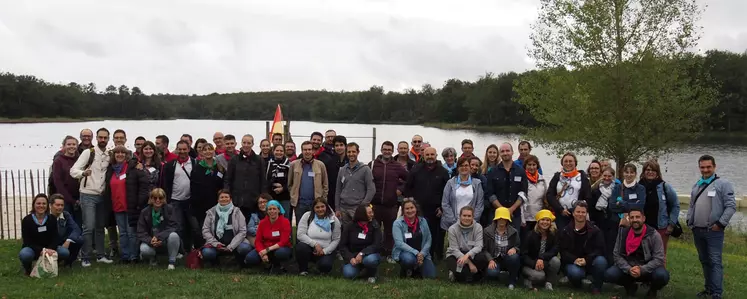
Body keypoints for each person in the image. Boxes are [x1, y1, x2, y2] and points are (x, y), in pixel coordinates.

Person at [687, 155, 736, 299]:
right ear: (699, 168)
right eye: (702, 167)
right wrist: (690, 220)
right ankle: (708, 289)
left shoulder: (723, 184)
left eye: (708, 167)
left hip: (714, 231)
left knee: (715, 262)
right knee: (704, 261)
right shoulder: (697, 185)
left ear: (714, 167)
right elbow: (692, 205)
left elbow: (731, 207)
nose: (705, 170)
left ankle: (716, 294)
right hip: (698, 230)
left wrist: (720, 224)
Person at [69, 127, 114, 266]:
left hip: (102, 196)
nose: (103, 140)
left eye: (105, 138)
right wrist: (83, 174)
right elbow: (73, 170)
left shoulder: (109, 154)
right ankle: (85, 257)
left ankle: (100, 255)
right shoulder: (88, 153)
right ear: (96, 138)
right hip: (87, 194)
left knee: (100, 227)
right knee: (88, 227)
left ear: (108, 139)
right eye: (100, 137)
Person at [605, 208, 670, 298]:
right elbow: (616, 254)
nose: (635, 220)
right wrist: (628, 269)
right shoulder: (623, 233)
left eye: (637, 217)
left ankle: (652, 290)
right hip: (628, 268)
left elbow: (659, 258)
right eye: (632, 217)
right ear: (629, 219)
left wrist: (642, 269)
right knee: (610, 274)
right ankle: (629, 286)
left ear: (643, 218)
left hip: (648, 269)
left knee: (662, 276)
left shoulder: (654, 234)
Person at [104, 145, 149, 263]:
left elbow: (144, 185)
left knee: (131, 233)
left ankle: (134, 256)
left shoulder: (132, 168)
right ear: (113, 155)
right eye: (117, 152)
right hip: (117, 207)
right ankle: (125, 256)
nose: (120, 155)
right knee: (122, 233)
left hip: (131, 206)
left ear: (126, 155)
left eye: (122, 152)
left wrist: (139, 202)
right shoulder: (111, 170)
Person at [403, 147, 449, 261]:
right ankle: (416, 254)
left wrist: (442, 208)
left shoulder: (443, 172)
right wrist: (410, 205)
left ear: (436, 155)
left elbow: (446, 192)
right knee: (417, 233)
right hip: (418, 209)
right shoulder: (416, 169)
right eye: (427, 154)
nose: (430, 157)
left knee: (433, 234)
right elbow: (408, 188)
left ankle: (431, 256)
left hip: (435, 210)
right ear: (423, 155)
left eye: (432, 154)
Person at [369, 141, 408, 261]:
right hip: (374, 204)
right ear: (381, 150)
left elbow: (409, 180)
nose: (387, 151)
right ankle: (374, 252)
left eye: (389, 150)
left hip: (391, 205)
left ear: (392, 151)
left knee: (390, 232)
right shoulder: (372, 164)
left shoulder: (397, 166)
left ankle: (388, 253)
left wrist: (400, 189)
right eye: (384, 149)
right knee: (373, 229)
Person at [558, 201, 607, 295]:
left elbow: (600, 249)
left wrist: (587, 259)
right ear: (573, 213)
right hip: (573, 262)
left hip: (590, 261)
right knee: (575, 273)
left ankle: (596, 286)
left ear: (586, 213)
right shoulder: (565, 230)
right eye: (578, 212)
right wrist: (574, 259)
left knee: (601, 261)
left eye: (583, 212)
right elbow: (563, 251)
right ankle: (576, 283)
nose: (580, 214)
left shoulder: (595, 230)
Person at [162, 140, 198, 251]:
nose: (182, 152)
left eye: (184, 149)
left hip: (190, 200)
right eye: (180, 149)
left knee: (194, 227)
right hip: (175, 200)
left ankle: (195, 249)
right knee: (178, 227)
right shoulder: (170, 165)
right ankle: (180, 251)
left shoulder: (195, 163)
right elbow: (165, 183)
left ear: (189, 149)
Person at [639, 160, 680, 260]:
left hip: (661, 227)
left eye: (653, 170)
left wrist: (671, 224)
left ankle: (660, 275)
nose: (650, 172)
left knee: (660, 256)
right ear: (644, 171)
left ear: (657, 172)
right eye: (648, 169)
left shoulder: (665, 187)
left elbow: (675, 205)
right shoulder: (639, 187)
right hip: (642, 228)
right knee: (643, 255)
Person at [606, 163, 646, 263]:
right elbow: (611, 206)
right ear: (623, 173)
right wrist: (632, 205)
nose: (629, 175)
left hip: (634, 224)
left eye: (631, 172)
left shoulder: (640, 188)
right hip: (616, 223)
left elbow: (640, 206)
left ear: (635, 174)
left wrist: (622, 203)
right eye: (626, 172)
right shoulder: (617, 188)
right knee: (615, 247)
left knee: (632, 248)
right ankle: (613, 268)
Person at [201, 190, 251, 266]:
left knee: (245, 248)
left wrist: (231, 246)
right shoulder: (211, 212)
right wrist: (216, 244)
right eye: (222, 197)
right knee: (207, 252)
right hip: (216, 245)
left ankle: (240, 262)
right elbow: (205, 230)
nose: (224, 199)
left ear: (230, 199)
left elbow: (242, 231)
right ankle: (214, 262)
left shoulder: (237, 212)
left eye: (226, 197)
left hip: (235, 244)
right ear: (218, 200)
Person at [485, 143, 527, 232]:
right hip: (496, 214)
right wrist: (502, 210)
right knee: (494, 242)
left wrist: (511, 209)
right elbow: (490, 194)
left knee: (514, 241)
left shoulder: (521, 171)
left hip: (514, 214)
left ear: (512, 152)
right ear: (500, 154)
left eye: (507, 151)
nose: (505, 153)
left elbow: (523, 193)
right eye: (502, 151)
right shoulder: (492, 171)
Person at [224, 134, 268, 218]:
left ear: (252, 144)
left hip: (254, 200)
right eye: (244, 142)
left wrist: (263, 197)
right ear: (241, 143)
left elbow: (263, 180)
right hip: (237, 200)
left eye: (248, 143)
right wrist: (227, 195)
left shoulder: (259, 160)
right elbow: (228, 179)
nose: (246, 145)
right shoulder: (234, 159)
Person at [137, 188, 182, 270]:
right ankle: (153, 258)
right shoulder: (144, 212)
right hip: (151, 241)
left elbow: (174, 226)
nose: (158, 200)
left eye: (160, 198)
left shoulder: (170, 209)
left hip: (165, 240)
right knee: (144, 249)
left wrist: (159, 237)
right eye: (155, 198)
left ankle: (171, 262)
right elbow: (141, 231)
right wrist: (150, 240)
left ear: (164, 199)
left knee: (174, 236)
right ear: (151, 199)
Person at [190, 143, 226, 244]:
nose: (207, 152)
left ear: (213, 151)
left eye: (210, 149)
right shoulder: (197, 168)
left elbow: (223, 185)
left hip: (217, 203)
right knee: (204, 229)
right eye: (205, 150)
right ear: (201, 152)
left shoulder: (220, 167)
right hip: (201, 204)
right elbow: (193, 187)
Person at [546, 152, 592, 230]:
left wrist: (574, 210)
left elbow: (587, 196)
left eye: (570, 161)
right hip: (560, 214)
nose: (568, 163)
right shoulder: (557, 176)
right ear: (562, 163)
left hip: (577, 214)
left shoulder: (582, 177)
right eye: (566, 161)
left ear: (575, 163)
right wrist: (560, 209)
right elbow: (550, 195)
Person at [296, 197, 341, 275]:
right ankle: (303, 270)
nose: (320, 209)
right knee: (301, 247)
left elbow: (336, 239)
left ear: (326, 207)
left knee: (325, 265)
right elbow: (300, 235)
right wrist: (315, 244)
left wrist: (324, 251)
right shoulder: (307, 216)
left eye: (322, 206)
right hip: (310, 248)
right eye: (317, 207)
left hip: (326, 250)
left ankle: (322, 269)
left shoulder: (333, 220)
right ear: (313, 208)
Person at [392, 199, 436, 279]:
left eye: (412, 208)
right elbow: (399, 243)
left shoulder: (423, 221)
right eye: (407, 209)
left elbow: (428, 239)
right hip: (405, 252)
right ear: (403, 210)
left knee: (431, 276)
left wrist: (422, 253)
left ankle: (416, 269)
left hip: (422, 253)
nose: (410, 210)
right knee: (409, 260)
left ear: (416, 208)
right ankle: (406, 269)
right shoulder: (397, 223)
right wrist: (416, 253)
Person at [288, 141, 329, 226]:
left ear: (312, 151)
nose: (307, 152)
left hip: (316, 203)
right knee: (301, 227)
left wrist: (322, 200)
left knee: (315, 227)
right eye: (305, 150)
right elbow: (290, 183)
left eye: (309, 149)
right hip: (300, 204)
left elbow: (325, 185)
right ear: (302, 151)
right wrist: (293, 195)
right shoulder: (294, 164)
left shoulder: (320, 165)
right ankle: (300, 240)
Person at [245, 200, 292, 273]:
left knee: (281, 253)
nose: (272, 211)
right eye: (269, 209)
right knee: (250, 258)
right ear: (267, 211)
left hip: (280, 248)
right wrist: (262, 252)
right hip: (265, 247)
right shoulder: (262, 223)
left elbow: (284, 241)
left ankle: (278, 265)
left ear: (279, 210)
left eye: (274, 209)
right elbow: (258, 241)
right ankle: (267, 264)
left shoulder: (285, 221)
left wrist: (266, 250)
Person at [335, 142, 376, 226]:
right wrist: (337, 208)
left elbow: (371, 189)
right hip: (344, 208)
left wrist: (363, 206)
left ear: (358, 152)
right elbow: (338, 190)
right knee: (345, 232)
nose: (351, 154)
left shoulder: (365, 169)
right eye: (349, 152)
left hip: (357, 208)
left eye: (353, 152)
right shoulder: (342, 170)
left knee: (358, 231)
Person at [340, 204, 382, 283]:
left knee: (370, 260)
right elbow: (342, 245)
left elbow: (377, 244)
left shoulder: (374, 225)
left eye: (372, 212)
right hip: (354, 257)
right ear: (362, 214)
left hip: (369, 255)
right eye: (369, 213)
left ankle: (372, 273)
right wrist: (350, 258)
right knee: (348, 274)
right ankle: (359, 270)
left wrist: (363, 253)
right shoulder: (350, 226)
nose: (372, 214)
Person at [481, 207, 521, 289]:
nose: (502, 220)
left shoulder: (514, 232)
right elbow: (484, 249)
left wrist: (515, 249)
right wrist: (490, 260)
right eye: (500, 218)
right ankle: (496, 275)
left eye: (504, 218)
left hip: (507, 257)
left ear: (508, 219)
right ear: (496, 219)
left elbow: (518, 246)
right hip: (494, 259)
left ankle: (512, 281)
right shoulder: (487, 231)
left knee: (515, 257)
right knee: (492, 272)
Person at [19, 194, 58, 276]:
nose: (41, 206)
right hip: (33, 249)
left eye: (44, 204)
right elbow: (27, 241)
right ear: (34, 205)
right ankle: (28, 268)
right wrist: (42, 250)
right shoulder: (27, 220)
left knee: (64, 252)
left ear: (47, 206)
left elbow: (55, 237)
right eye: (38, 203)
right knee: (25, 254)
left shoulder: (52, 219)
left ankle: (53, 266)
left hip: (49, 248)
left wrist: (50, 249)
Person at [521, 209, 560, 291]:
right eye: (542, 220)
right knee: (539, 276)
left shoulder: (554, 234)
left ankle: (549, 283)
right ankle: (527, 280)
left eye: (547, 220)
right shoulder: (530, 235)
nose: (545, 222)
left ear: (550, 222)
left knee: (556, 261)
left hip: (544, 261)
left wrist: (541, 258)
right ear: (538, 222)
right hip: (530, 264)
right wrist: (534, 263)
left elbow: (555, 250)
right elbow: (523, 255)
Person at [441, 157, 484, 231]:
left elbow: (479, 205)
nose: (464, 167)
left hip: (471, 223)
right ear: (457, 168)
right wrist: (454, 222)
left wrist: (471, 221)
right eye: (461, 165)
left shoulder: (477, 183)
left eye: (466, 165)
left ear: (470, 167)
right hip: (453, 224)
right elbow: (445, 203)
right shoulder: (450, 183)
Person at [445, 206, 486, 283]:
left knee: (482, 258)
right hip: (455, 255)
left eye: (469, 216)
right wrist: (469, 263)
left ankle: (469, 274)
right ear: (460, 216)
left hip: (471, 254)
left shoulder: (478, 227)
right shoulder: (452, 229)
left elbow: (479, 246)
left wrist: (467, 255)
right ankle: (467, 274)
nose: (466, 218)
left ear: (473, 217)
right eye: (464, 215)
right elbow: (454, 249)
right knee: (461, 275)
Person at [50, 194, 84, 267]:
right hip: (49, 244)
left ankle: (68, 262)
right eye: (57, 205)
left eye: (62, 205)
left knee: (80, 239)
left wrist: (68, 240)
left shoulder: (66, 215)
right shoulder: (46, 216)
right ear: (51, 205)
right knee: (63, 252)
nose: (60, 207)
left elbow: (76, 229)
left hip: (63, 241)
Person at [52, 136, 80, 216]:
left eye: (74, 144)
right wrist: (70, 200)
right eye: (69, 144)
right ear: (64, 146)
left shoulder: (80, 159)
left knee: (78, 225)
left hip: (79, 199)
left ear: (77, 146)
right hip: (64, 200)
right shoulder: (59, 161)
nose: (71, 146)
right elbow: (58, 182)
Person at [522, 155, 546, 234]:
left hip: (539, 217)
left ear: (537, 166)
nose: (532, 167)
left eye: (534, 165)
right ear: (525, 166)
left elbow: (545, 197)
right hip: (526, 218)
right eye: (529, 165)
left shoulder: (542, 179)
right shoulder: (522, 179)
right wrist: (522, 219)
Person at [324, 135, 349, 212]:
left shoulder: (350, 161)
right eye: (336, 145)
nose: (339, 147)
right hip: (332, 197)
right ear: (334, 147)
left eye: (341, 145)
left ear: (345, 146)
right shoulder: (329, 162)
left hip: (347, 197)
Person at [266, 144, 291, 219]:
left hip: (285, 197)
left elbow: (292, 181)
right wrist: (272, 185)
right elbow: (266, 179)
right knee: (272, 219)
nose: (279, 152)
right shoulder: (268, 164)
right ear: (273, 151)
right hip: (271, 196)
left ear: (284, 152)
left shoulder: (289, 165)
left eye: (281, 151)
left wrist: (283, 188)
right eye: (277, 150)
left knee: (285, 218)